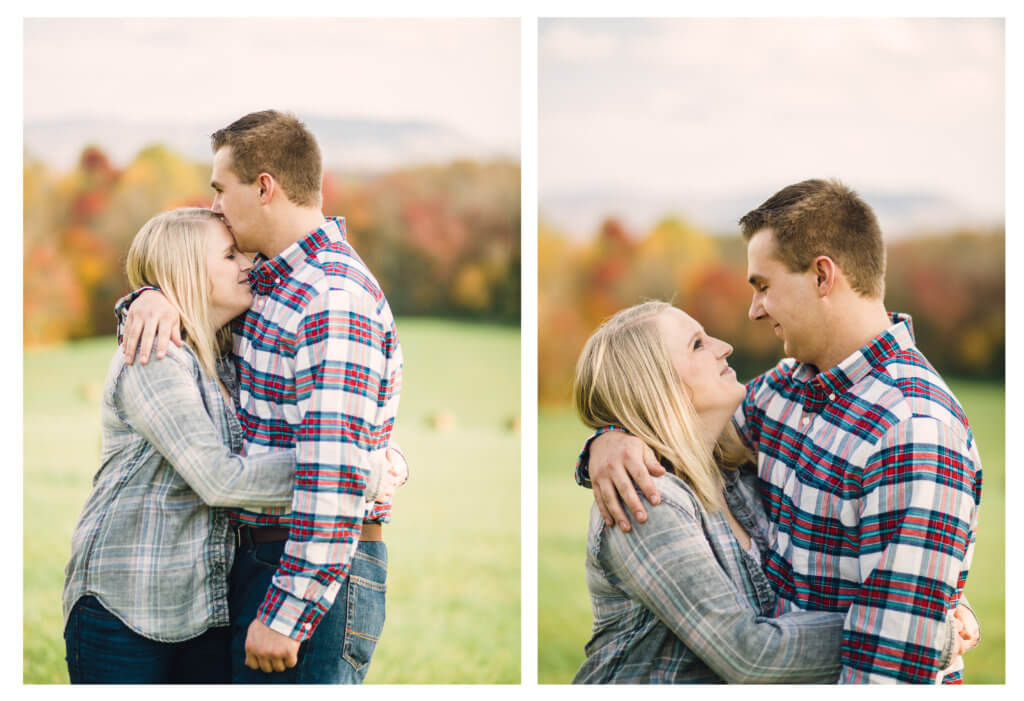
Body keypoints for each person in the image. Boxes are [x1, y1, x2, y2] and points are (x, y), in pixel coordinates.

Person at [578, 179, 982, 684]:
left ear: (821, 276)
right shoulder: (782, 394)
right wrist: (609, 438)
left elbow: (890, 668)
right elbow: (670, 424)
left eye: (763, 286)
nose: (752, 311)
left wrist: (926, 635)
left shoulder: (915, 430)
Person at [120, 110, 404, 683]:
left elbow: (334, 472)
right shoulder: (270, 283)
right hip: (257, 558)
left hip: (304, 569)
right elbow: (194, 299)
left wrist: (289, 614)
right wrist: (146, 297)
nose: (215, 205)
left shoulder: (331, 297)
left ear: (265, 187)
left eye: (221, 189)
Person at [62, 208, 300, 683]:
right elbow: (219, 478)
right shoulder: (153, 356)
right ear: (186, 270)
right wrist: (348, 473)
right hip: (125, 607)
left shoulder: (227, 356)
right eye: (230, 255)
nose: (247, 265)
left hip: (203, 609)